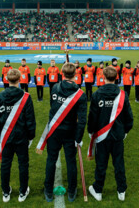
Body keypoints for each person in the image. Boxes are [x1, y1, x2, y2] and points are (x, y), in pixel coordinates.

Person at [36, 62, 87, 203]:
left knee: (51, 160)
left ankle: (48, 190)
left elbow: (53, 107)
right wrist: (79, 137)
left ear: (62, 74)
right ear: (76, 75)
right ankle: (71, 191)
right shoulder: (80, 95)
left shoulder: (55, 88)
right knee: (71, 162)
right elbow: (82, 120)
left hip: (54, 131)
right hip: (70, 132)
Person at [87, 66, 133, 202]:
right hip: (117, 135)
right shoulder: (123, 95)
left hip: (102, 137)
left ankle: (98, 190)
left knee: (101, 164)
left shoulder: (96, 94)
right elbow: (129, 117)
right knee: (119, 163)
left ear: (103, 77)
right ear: (116, 78)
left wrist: (91, 131)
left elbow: (92, 117)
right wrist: (126, 131)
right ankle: (121, 190)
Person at [0, 69, 36, 203]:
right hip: (22, 137)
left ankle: (6, 191)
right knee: (23, 165)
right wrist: (31, 136)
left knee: (5, 165)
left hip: (6, 137)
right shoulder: (26, 97)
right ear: (20, 79)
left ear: (6, 79)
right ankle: (23, 191)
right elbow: (30, 120)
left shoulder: (0, 96)